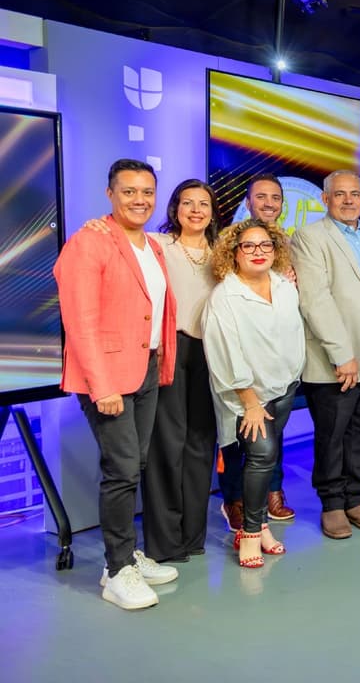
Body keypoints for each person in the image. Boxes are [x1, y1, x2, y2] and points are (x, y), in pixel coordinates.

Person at [55, 158, 179, 610]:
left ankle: (127, 555)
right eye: (129, 191)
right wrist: (101, 386)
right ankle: (116, 570)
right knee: (123, 469)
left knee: (135, 464)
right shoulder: (89, 242)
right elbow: (80, 322)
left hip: (145, 367)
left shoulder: (153, 246)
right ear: (110, 194)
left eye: (147, 192)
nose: (139, 200)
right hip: (107, 377)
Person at [81, 179, 219, 562]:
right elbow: (117, 239)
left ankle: (193, 537)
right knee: (165, 448)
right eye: (187, 202)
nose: (196, 210)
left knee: (200, 447)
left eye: (203, 203)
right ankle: (164, 544)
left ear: (212, 211)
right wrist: (97, 223)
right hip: (168, 350)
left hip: (212, 354)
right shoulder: (156, 246)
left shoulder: (223, 251)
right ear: (173, 209)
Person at [292, 170, 360, 540]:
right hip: (339, 358)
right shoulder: (310, 237)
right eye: (340, 194)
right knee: (333, 434)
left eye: (355, 193)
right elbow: (315, 299)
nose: (348, 200)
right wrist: (342, 354)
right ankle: (332, 505)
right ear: (325, 199)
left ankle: (356, 498)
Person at [203, 219, 305, 568]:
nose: (258, 252)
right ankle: (248, 533)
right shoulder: (224, 297)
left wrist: (293, 377)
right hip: (247, 397)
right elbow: (225, 354)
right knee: (260, 458)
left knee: (269, 458)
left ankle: (261, 526)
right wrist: (250, 402)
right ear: (234, 252)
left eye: (266, 245)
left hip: (284, 388)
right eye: (249, 245)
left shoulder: (284, 286)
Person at [218, 174, 296, 531]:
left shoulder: (285, 246)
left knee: (272, 437)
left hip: (279, 367)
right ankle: (235, 501)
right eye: (261, 197)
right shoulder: (230, 243)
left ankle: (271, 492)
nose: (269, 203)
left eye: (275, 198)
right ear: (247, 202)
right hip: (241, 369)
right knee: (241, 440)